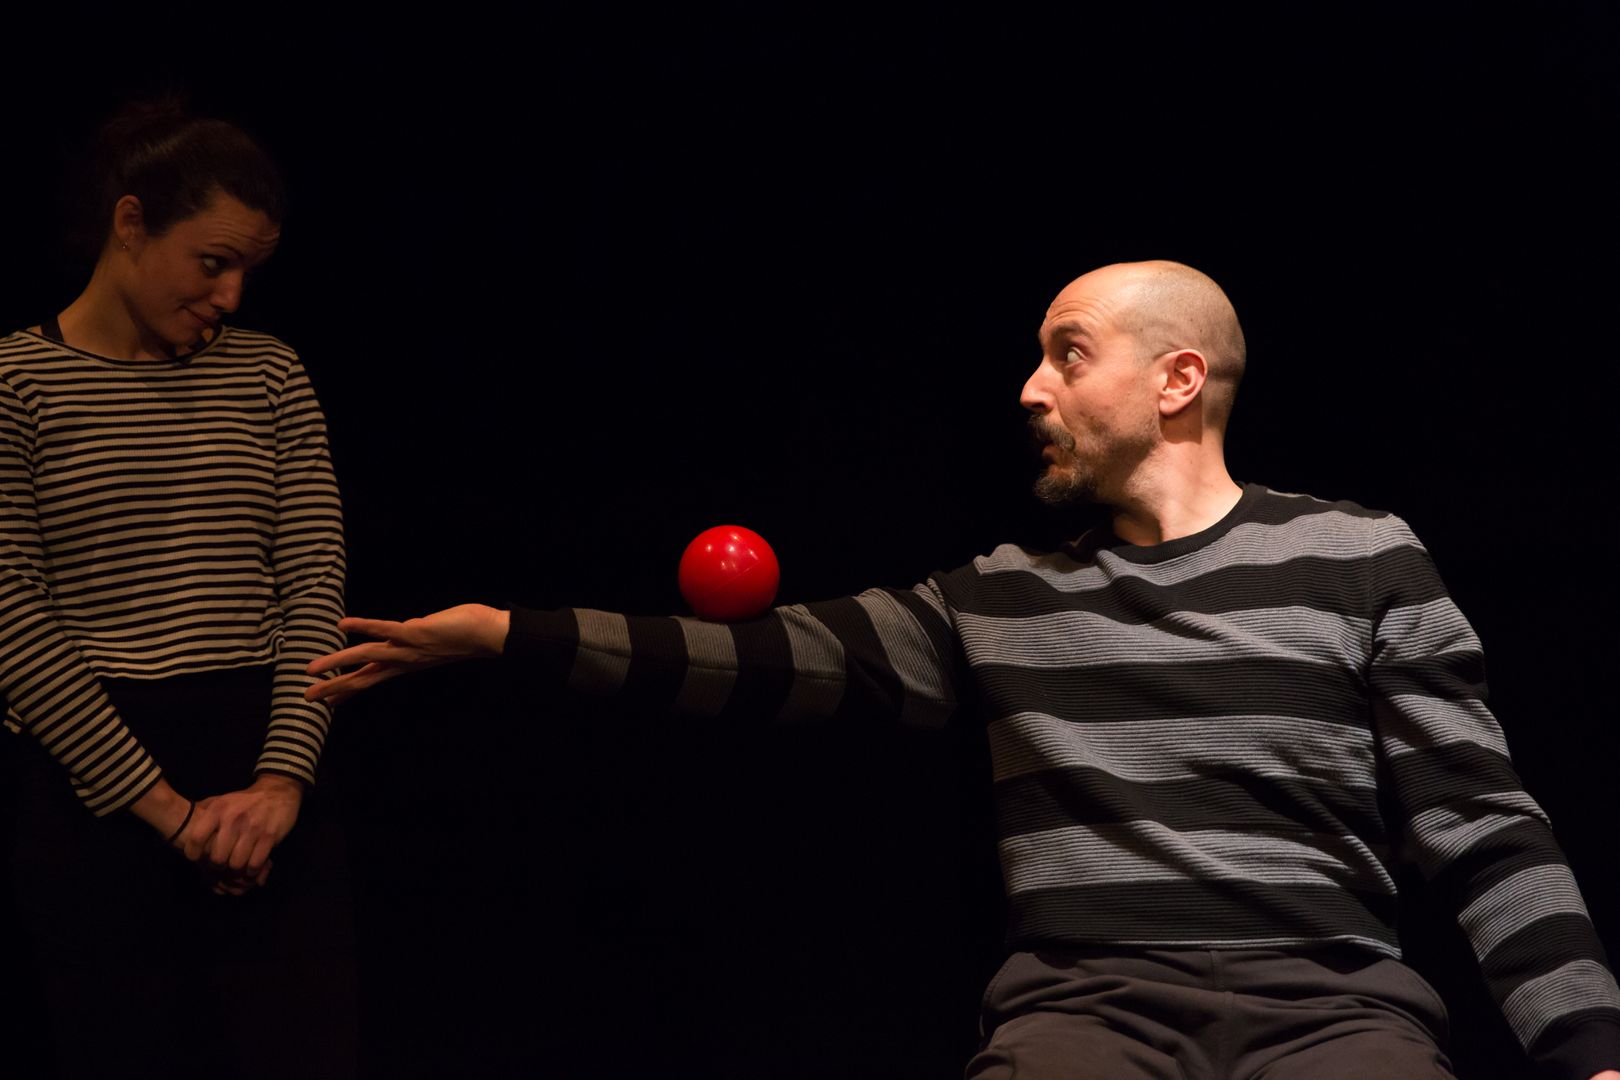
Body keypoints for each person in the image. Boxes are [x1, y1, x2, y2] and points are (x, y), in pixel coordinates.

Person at [304, 261, 1620, 1079]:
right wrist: (506, 632)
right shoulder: (1000, 598)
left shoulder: (1359, 556)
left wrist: (1592, 1055)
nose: (1031, 389)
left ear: (1178, 380)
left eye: (1067, 353)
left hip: (1335, 1010)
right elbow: (766, 659)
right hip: (1090, 1012)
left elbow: (1481, 823)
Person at [0, 101, 356, 1078]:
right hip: (95, 788)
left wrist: (279, 783)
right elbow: (11, 615)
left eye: (248, 270)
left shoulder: (270, 375)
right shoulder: (16, 385)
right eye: (212, 261)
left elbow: (313, 583)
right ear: (131, 223)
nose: (231, 295)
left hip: (268, 763)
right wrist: (172, 814)